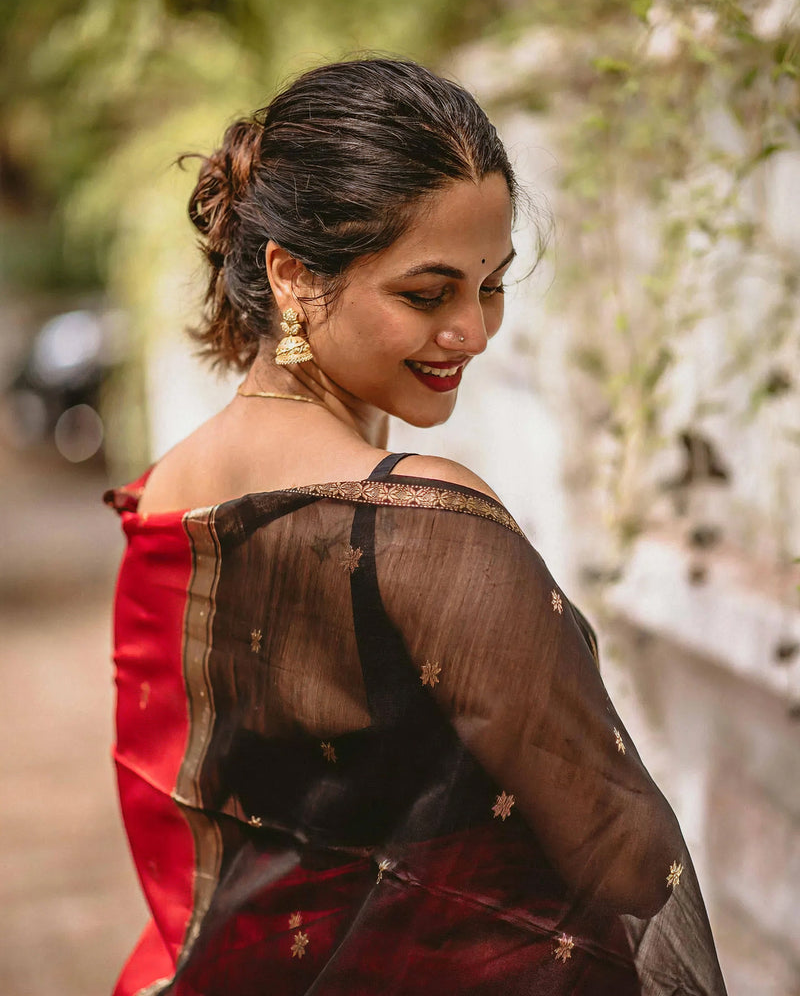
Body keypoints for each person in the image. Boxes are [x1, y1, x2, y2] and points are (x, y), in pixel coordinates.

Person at [105, 58, 728, 996]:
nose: (474, 331)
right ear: (291, 275)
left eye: (492, 285)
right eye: (428, 294)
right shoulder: (416, 523)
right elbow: (628, 857)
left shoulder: (164, 499)